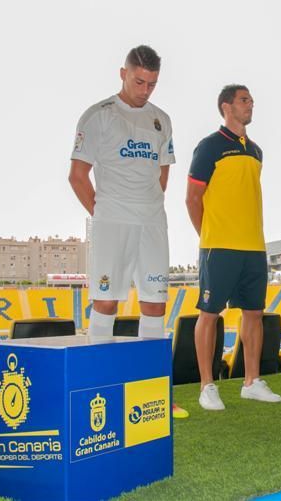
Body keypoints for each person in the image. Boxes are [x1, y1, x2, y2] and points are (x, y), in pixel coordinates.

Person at [68, 45, 187, 418]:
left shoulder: (161, 120)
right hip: (112, 222)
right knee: (107, 302)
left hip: (152, 222)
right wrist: (106, 213)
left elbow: (163, 173)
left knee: (155, 303)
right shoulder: (98, 116)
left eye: (152, 84)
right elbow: (77, 176)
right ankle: (96, 391)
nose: (145, 89)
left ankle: (153, 395)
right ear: (123, 74)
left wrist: (143, 207)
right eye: (139, 81)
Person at [185, 84, 281, 410]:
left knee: (254, 313)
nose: (250, 104)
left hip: (253, 246)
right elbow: (192, 198)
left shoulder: (256, 151)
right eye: (244, 100)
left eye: (251, 100)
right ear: (226, 106)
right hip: (219, 246)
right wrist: (208, 235)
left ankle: (251, 382)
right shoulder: (210, 146)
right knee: (210, 314)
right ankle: (206, 386)